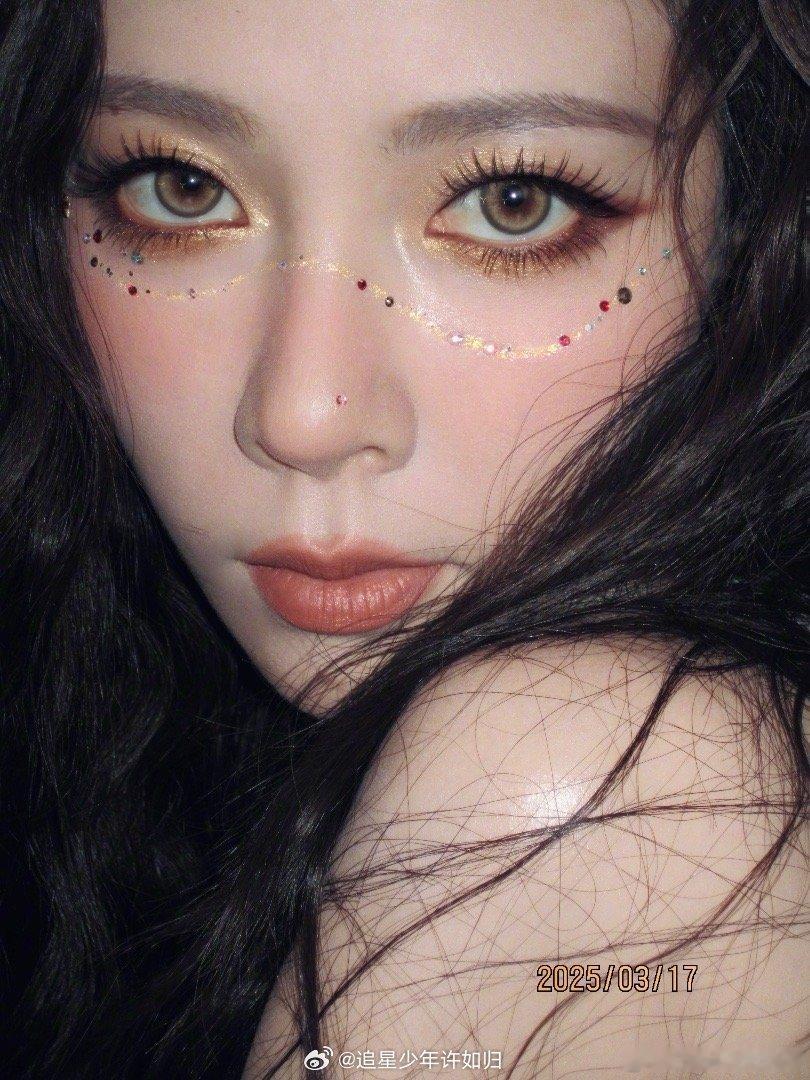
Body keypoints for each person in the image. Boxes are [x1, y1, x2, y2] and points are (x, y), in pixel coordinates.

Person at [0, 1, 806, 1077]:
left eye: (513, 202)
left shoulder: (600, 776)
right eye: (180, 187)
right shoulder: (105, 739)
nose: (303, 416)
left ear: (753, 222)